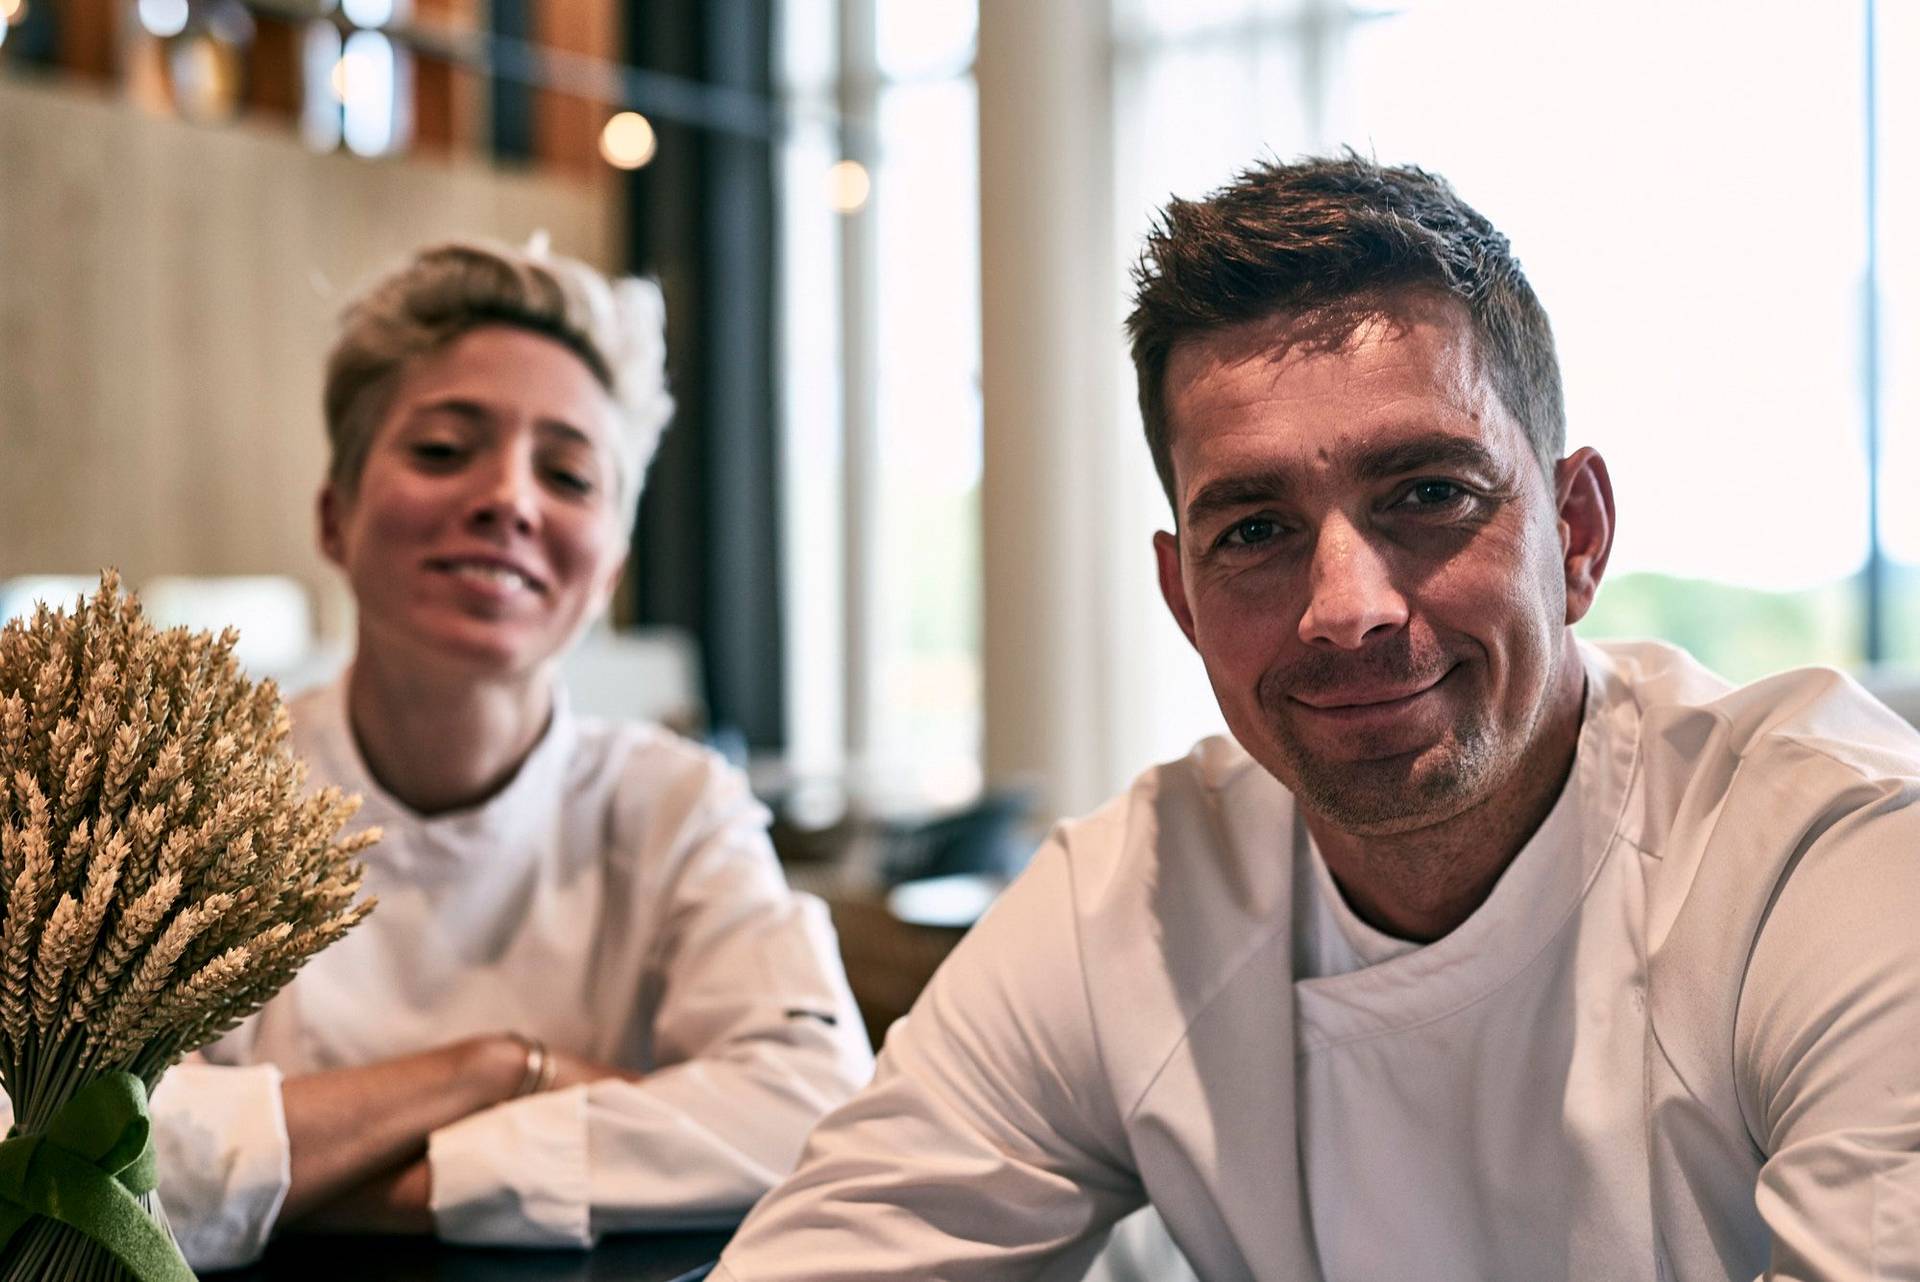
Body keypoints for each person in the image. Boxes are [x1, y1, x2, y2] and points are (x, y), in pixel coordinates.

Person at [713, 156, 1920, 1281]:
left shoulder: (1829, 857)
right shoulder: (1133, 900)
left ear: (1577, 534)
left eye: (1430, 493)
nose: (1346, 609)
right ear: (1184, 596)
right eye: (1253, 529)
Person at [139, 242, 871, 1267]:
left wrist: (331, 1174)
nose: (510, 501)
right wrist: (496, 1069)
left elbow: (814, 1107)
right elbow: (60, 1142)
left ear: (610, 562)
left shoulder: (675, 804)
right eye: (442, 450)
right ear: (334, 516)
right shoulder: (185, 791)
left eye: (568, 473)